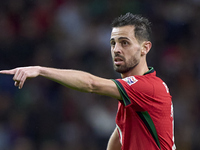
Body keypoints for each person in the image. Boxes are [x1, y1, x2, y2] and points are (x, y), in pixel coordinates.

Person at [0, 12, 176, 150]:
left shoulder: (147, 87)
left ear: (145, 47)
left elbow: (91, 84)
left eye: (124, 43)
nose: (116, 49)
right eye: (113, 43)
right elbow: (120, 134)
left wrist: (40, 70)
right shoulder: (132, 96)